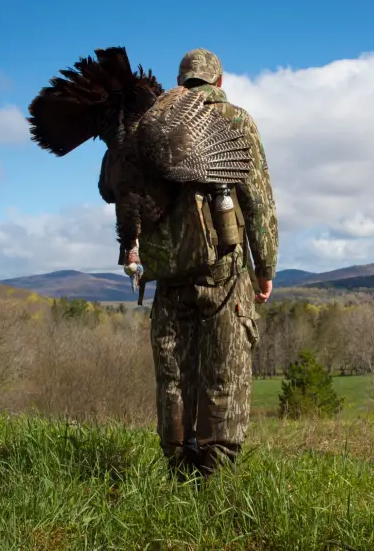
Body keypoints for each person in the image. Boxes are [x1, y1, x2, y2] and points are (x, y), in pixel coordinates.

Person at [147, 48, 278, 481]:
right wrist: (265, 268)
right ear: (218, 82)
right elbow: (258, 202)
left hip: (169, 276)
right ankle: (216, 474)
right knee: (226, 371)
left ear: (182, 82)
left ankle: (177, 472)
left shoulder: (154, 125)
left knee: (174, 377)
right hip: (223, 273)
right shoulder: (235, 119)